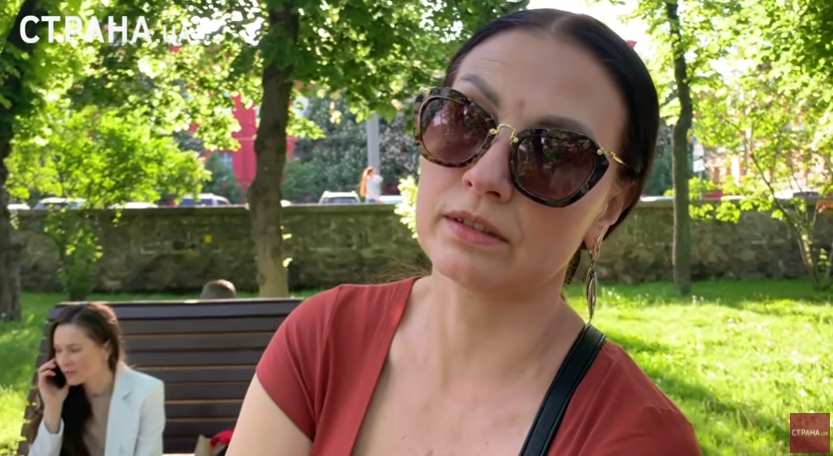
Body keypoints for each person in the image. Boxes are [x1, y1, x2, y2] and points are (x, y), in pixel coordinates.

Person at [228, 8, 701, 456]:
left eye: (553, 154)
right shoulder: (324, 339)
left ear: (609, 208)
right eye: (464, 118)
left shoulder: (638, 436)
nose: (485, 176)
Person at [26, 303, 166, 456]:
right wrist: (53, 409)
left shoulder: (146, 391)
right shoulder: (55, 390)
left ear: (107, 349)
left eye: (74, 350)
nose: (63, 361)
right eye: (58, 350)